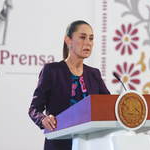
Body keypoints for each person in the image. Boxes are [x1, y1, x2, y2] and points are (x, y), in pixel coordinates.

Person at [28, 20, 110, 150]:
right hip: (59, 144)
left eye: (91, 38)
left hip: (91, 144)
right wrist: (44, 119)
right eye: (82, 37)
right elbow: (34, 109)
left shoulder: (94, 74)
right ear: (68, 41)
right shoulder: (52, 71)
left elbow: (108, 106)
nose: (88, 42)